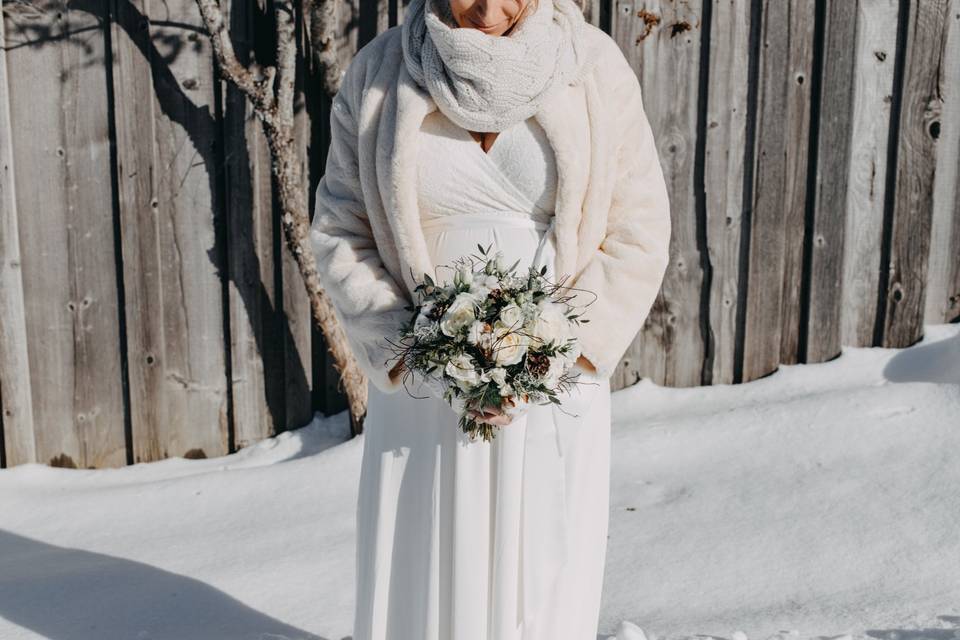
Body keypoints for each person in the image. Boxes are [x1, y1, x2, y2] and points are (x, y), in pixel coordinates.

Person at [308, 0, 671, 635]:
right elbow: (341, 229)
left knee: (541, 563)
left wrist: (559, 351)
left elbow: (639, 229)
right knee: (426, 551)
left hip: (553, 374)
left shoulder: (592, 67)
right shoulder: (381, 73)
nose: (488, 9)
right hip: (424, 375)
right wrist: (409, 345)